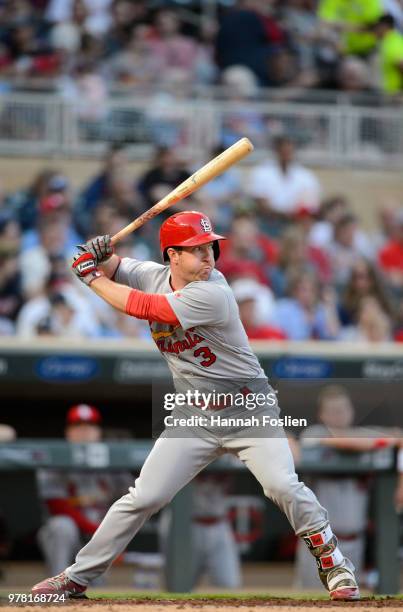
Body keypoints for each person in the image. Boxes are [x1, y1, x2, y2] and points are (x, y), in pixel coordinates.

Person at [32, 211, 360, 600]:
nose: (209, 257)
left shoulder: (214, 292)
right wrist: (97, 251)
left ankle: (335, 565)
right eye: (196, 250)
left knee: (281, 485)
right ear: (172, 255)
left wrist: (90, 275)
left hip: (247, 409)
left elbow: (144, 308)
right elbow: (117, 265)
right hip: (194, 415)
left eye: (210, 248)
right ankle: (77, 576)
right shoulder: (151, 273)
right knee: (144, 497)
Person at [294, 385, 397, 588]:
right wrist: (382, 441)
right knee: (310, 601)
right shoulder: (313, 435)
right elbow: (346, 442)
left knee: (347, 599)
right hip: (319, 543)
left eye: (342, 410)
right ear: (321, 414)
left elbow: (396, 437)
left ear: (352, 412)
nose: (338, 415)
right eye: (332, 411)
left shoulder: (364, 435)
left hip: (354, 542)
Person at [36, 404, 132, 578]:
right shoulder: (54, 457)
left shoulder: (112, 458)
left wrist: (116, 537)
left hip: (100, 532)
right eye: (78, 426)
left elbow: (133, 497)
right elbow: (56, 505)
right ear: (68, 432)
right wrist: (99, 533)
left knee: (98, 591)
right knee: (61, 525)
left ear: (98, 431)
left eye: (89, 426)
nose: (84, 432)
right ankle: (57, 586)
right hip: (74, 535)